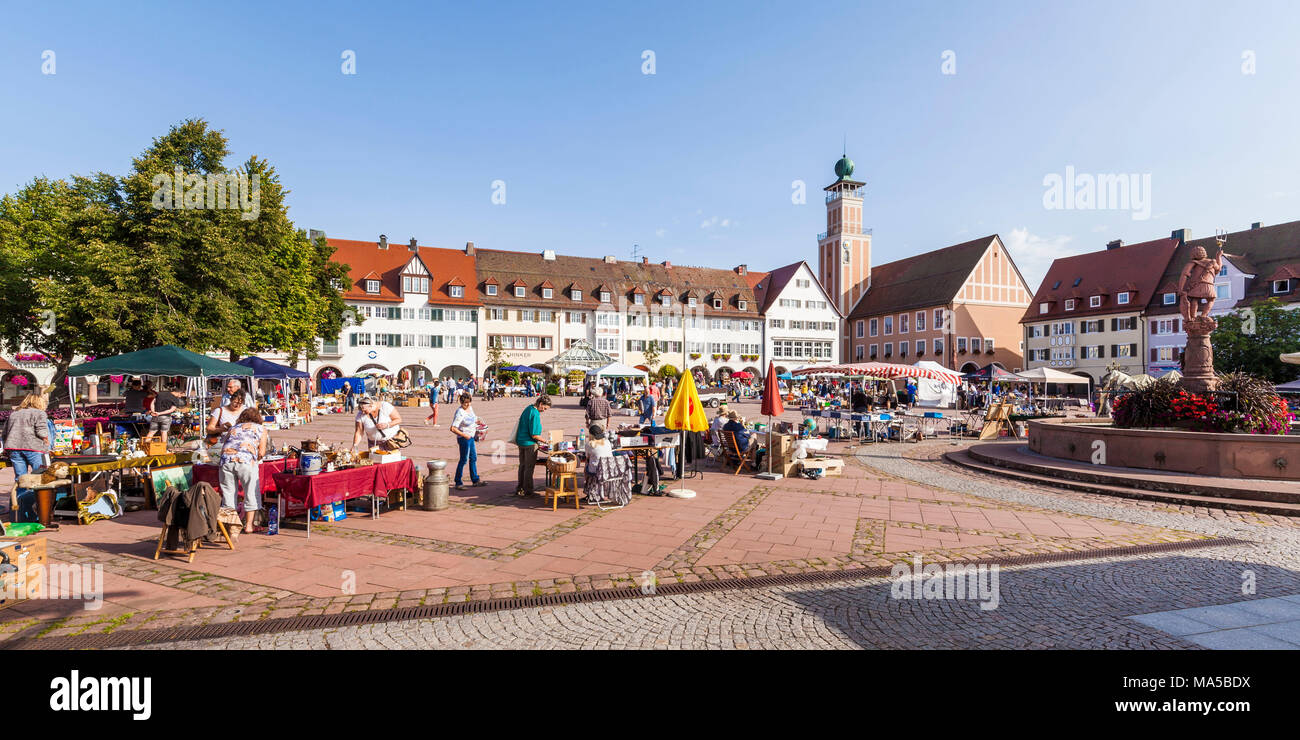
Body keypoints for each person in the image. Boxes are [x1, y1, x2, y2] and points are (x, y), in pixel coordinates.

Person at [218, 407, 268, 533]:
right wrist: (255, 456)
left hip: (226, 460)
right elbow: (261, 452)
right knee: (251, 492)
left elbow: (224, 447)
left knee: (228, 493)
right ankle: (249, 526)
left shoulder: (233, 428)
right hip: (245, 461)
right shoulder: (261, 429)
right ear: (258, 418)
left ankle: (231, 526)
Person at [3, 393, 50, 522]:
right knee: (39, 479)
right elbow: (42, 432)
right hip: (33, 448)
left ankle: (19, 513)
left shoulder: (14, 413)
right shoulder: (39, 413)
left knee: (20, 480)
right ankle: (39, 513)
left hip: (14, 449)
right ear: (39, 403)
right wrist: (47, 441)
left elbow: (4, 433)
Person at [514, 395, 551, 496]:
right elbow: (534, 434)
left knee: (522, 466)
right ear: (540, 404)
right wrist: (547, 441)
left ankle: (520, 488)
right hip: (529, 443)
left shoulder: (528, 408)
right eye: (544, 408)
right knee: (529, 467)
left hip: (521, 441)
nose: (544, 410)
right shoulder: (535, 414)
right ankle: (528, 491)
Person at [449, 394, 485, 490]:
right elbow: (452, 428)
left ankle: (475, 479)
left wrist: (478, 422)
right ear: (461, 403)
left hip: (471, 437)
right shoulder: (460, 412)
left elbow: (473, 419)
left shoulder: (470, 408)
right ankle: (458, 481)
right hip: (464, 439)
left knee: (473, 458)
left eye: (469, 403)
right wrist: (465, 435)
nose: (467, 405)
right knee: (463, 459)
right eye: (465, 403)